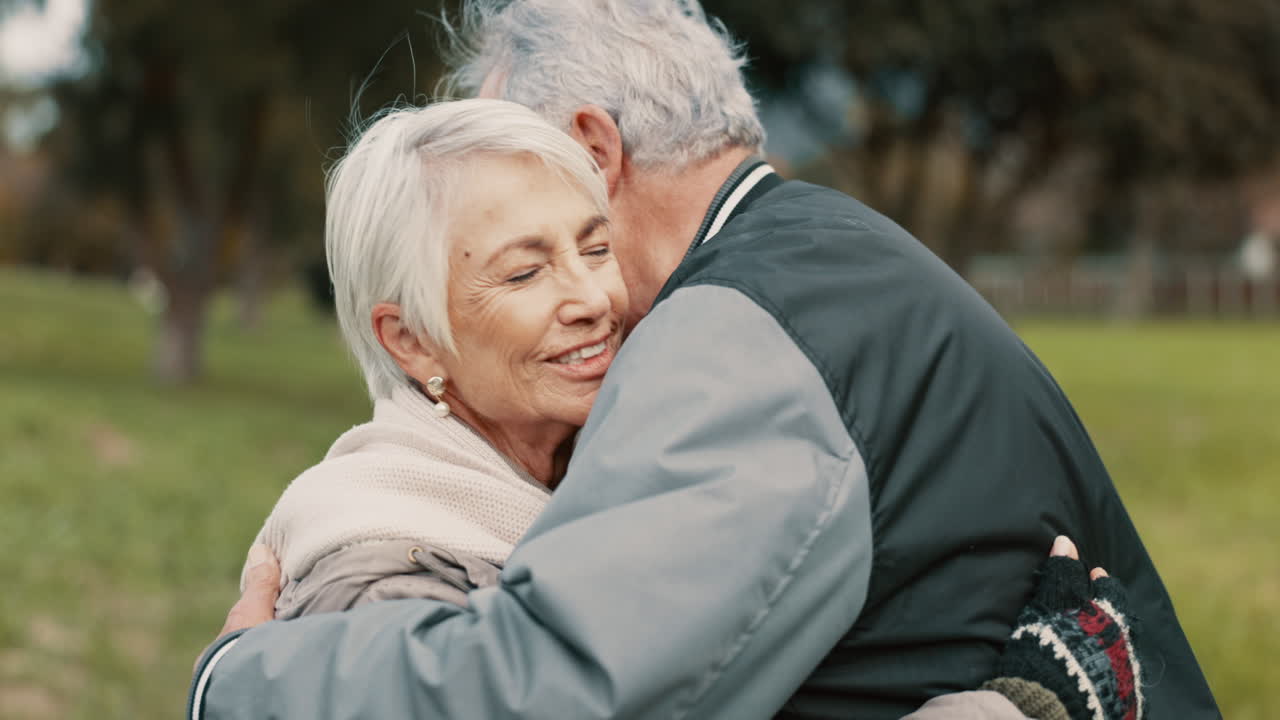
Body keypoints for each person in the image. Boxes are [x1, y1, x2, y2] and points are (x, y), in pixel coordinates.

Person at [190, 1, 1219, 718]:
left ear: (592, 151)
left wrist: (237, 684)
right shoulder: (833, 255)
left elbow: (568, 689)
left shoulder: (733, 333)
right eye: (520, 264)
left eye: (521, 159)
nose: (583, 295)